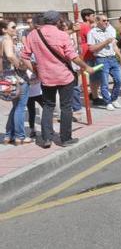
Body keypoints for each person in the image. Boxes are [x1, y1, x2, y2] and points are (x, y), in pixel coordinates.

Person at [23, 11, 95, 148]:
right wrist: (86, 67)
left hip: (45, 77)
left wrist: (36, 70)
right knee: (66, 107)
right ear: (57, 21)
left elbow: (25, 56)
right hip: (64, 76)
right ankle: (65, 138)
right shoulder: (62, 35)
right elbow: (73, 56)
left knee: (48, 106)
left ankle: (46, 139)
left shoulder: (33, 34)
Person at [87, 14, 121, 110]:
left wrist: (120, 58)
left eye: (107, 20)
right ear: (98, 22)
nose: (106, 22)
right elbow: (91, 48)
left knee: (119, 80)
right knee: (104, 83)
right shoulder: (92, 32)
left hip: (112, 58)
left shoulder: (111, 29)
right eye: (104, 20)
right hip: (101, 59)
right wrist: (105, 42)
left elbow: (114, 46)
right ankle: (107, 102)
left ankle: (113, 99)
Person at [2, 20, 32, 145]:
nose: (15, 29)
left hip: (6, 77)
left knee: (16, 107)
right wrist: (20, 65)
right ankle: (20, 136)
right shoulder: (7, 40)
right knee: (20, 107)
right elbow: (9, 55)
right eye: (13, 27)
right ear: (4, 29)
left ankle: (8, 135)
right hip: (17, 78)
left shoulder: (1, 40)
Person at [78, 8, 101, 102]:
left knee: (95, 74)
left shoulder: (85, 26)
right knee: (94, 75)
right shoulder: (85, 27)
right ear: (87, 17)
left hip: (88, 52)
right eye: (93, 16)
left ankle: (94, 93)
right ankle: (95, 96)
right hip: (88, 52)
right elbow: (94, 38)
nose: (95, 17)